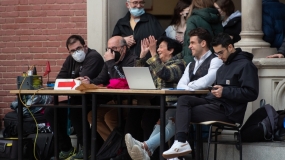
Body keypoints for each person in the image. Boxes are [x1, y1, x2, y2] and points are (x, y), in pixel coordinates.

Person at [125, 28, 223, 160]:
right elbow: (182, 84)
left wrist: (188, 87)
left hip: (205, 103)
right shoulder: (191, 64)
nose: (189, 46)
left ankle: (147, 147)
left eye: (192, 43)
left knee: (171, 118)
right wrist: (142, 57)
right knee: (160, 116)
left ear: (203, 43)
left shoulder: (214, 60)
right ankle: (147, 148)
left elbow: (205, 81)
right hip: (183, 103)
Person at [162, 33, 259, 159]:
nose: (219, 57)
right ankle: (180, 144)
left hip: (229, 111)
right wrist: (214, 92)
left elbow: (252, 93)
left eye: (220, 53)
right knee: (184, 100)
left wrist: (225, 92)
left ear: (230, 47)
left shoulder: (246, 65)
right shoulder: (224, 66)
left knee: (182, 113)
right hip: (214, 103)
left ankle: (179, 152)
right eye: (216, 53)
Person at [74, 36, 137, 159]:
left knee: (109, 117)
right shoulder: (110, 61)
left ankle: (125, 147)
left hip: (131, 100)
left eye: (114, 48)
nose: (111, 52)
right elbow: (101, 79)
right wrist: (88, 81)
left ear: (124, 48)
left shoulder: (132, 60)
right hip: (115, 101)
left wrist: (110, 63)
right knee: (92, 115)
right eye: (108, 48)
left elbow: (121, 81)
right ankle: (118, 147)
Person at [44, 35, 104, 160]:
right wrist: (73, 81)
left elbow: (83, 81)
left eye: (78, 48)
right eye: (72, 51)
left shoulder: (94, 57)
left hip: (95, 98)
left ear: (85, 47)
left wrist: (72, 81)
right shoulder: (70, 60)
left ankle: (86, 149)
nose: (76, 53)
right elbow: (59, 80)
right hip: (76, 98)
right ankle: (66, 148)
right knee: (51, 110)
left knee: (76, 110)